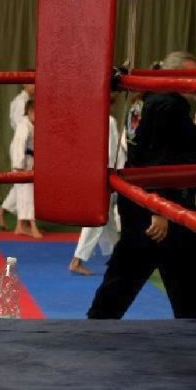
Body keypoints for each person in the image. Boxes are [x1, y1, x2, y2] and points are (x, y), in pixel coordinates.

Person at [87, 51, 196, 319]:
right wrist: (160, 209)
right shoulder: (170, 105)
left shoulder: (144, 99)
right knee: (141, 270)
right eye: (191, 74)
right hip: (160, 208)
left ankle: (97, 322)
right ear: (175, 74)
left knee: (138, 271)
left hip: (139, 199)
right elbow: (160, 158)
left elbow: (146, 152)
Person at [69, 106, 126, 275]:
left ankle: (118, 258)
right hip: (103, 174)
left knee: (107, 219)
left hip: (91, 172)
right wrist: (113, 175)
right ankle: (77, 260)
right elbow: (110, 152)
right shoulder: (107, 121)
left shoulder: (87, 119)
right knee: (98, 217)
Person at [0, 83, 35, 230]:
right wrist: (19, 161)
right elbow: (21, 126)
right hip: (21, 145)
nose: (36, 86)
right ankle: (24, 223)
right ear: (25, 84)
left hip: (27, 145)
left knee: (23, 184)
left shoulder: (27, 100)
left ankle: (2, 211)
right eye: (32, 82)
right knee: (23, 184)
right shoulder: (21, 102)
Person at [10, 99, 42, 238]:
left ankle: (20, 226)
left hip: (29, 163)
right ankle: (32, 226)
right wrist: (19, 166)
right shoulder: (23, 126)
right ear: (29, 112)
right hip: (22, 165)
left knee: (24, 195)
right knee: (27, 195)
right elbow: (19, 147)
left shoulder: (31, 125)